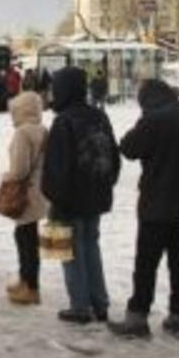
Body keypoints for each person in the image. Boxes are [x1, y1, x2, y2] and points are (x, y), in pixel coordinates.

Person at [107, 79, 179, 339]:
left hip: (156, 201)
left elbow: (129, 148)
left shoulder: (153, 120)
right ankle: (178, 317)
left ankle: (137, 318)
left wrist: (144, 122)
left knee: (146, 263)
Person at [42, 66, 121, 325]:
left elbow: (57, 166)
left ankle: (80, 306)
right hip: (96, 195)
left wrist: (55, 198)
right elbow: (113, 156)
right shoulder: (98, 116)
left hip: (70, 199)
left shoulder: (64, 121)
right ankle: (99, 303)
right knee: (90, 247)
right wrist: (105, 184)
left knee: (70, 251)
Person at [3, 91, 49, 304]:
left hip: (26, 193)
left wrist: (7, 177)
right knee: (28, 238)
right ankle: (27, 282)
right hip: (40, 191)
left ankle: (30, 286)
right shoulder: (43, 130)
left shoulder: (23, 133)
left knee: (25, 240)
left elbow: (20, 170)